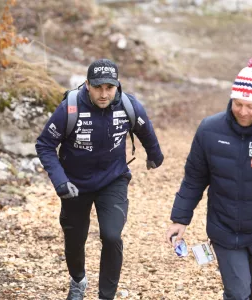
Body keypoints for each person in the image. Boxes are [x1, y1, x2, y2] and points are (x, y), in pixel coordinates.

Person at [166, 57, 252, 300]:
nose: (243, 112)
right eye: (238, 104)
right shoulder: (210, 129)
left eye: (251, 106)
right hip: (224, 229)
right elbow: (194, 178)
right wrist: (179, 218)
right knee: (237, 293)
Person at [36, 58, 164, 300]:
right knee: (75, 238)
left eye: (109, 87)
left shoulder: (128, 105)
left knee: (112, 235)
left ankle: (106, 295)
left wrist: (155, 155)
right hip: (74, 184)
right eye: (98, 87)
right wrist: (60, 181)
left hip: (112, 180)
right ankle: (77, 280)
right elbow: (44, 144)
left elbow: (145, 129)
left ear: (117, 85)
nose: (104, 94)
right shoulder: (70, 108)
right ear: (87, 85)